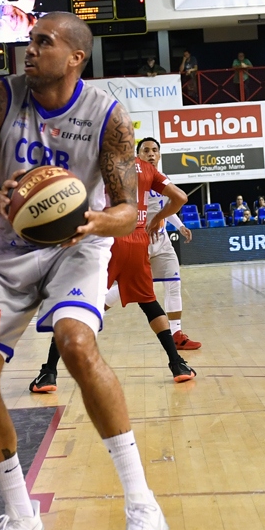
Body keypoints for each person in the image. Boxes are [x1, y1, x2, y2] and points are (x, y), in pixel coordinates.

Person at [0, 9, 167, 530]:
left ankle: (142, 504)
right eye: (29, 39)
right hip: (6, 249)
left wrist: (94, 223)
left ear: (75, 57)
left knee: (75, 341)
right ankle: (22, 520)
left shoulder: (108, 116)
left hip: (79, 245)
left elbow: (127, 209)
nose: (30, 48)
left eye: (43, 41)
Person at [33, 146, 196, 391]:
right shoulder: (147, 168)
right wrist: (155, 219)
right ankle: (177, 364)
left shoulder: (99, 163)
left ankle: (48, 373)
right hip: (138, 240)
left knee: (73, 304)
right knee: (149, 302)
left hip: (106, 239)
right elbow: (181, 198)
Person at [131, 139, 199, 351]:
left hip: (161, 238)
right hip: (138, 239)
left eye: (154, 150)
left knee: (173, 282)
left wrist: (179, 226)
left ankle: (177, 333)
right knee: (124, 289)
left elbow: (169, 205)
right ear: (138, 155)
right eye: (145, 151)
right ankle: (89, 321)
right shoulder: (132, 178)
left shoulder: (163, 179)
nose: (151, 154)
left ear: (159, 155)